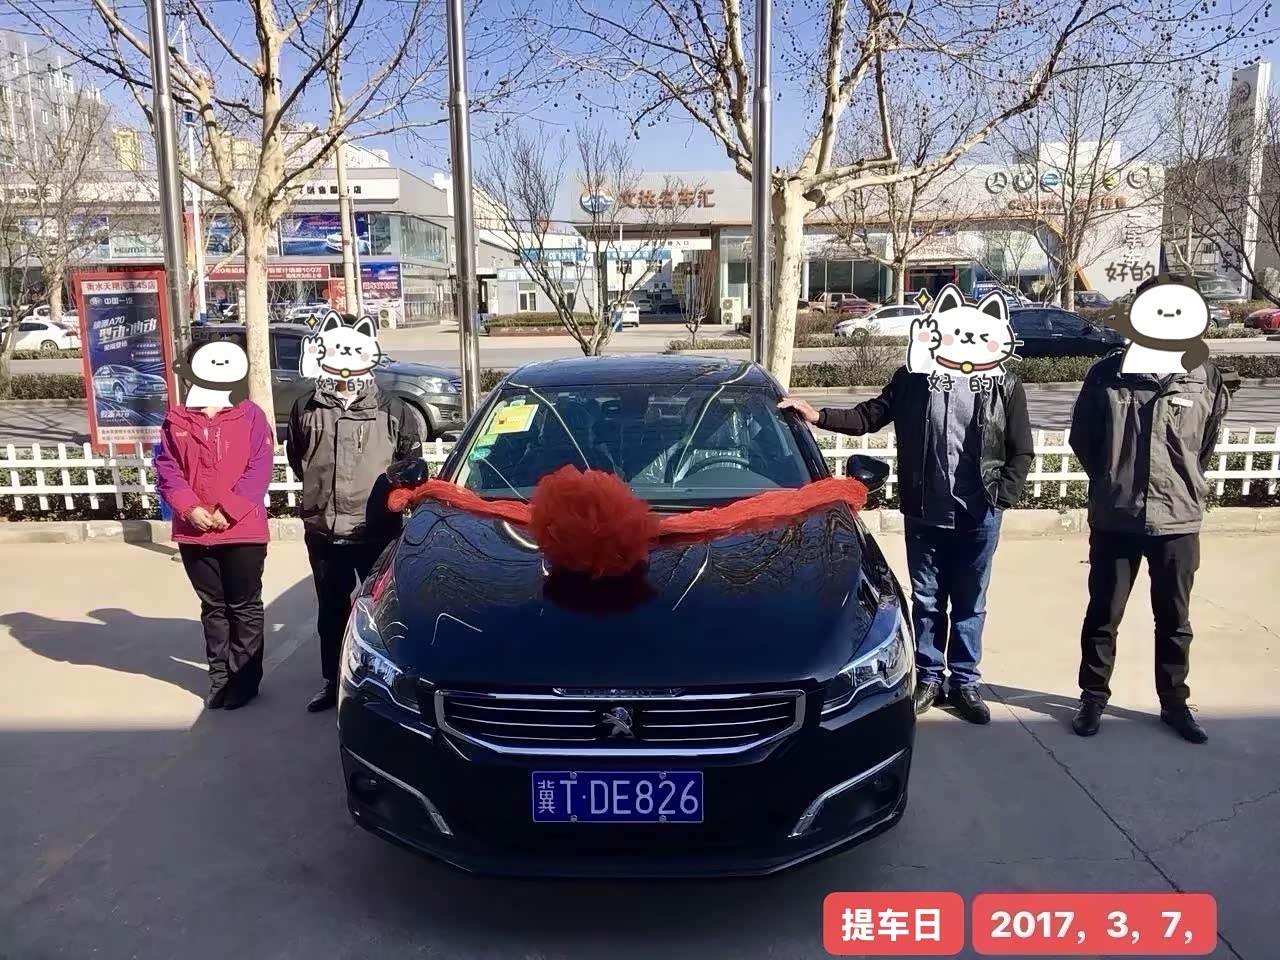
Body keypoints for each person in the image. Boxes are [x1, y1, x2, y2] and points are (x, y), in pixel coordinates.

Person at [780, 368, 1033, 724]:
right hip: (925, 513)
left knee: (970, 603)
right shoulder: (914, 377)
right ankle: (929, 677)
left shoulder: (1002, 382)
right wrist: (818, 415)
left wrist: (1000, 498)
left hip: (979, 516)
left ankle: (965, 683)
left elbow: (1021, 450)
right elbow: (869, 416)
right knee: (927, 600)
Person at [1067, 336, 1230, 743]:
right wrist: (1112, 481)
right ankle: (1092, 697)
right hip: (1116, 517)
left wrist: (1183, 482)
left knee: (1175, 618)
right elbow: (1083, 439)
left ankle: (1174, 702)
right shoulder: (1108, 374)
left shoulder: (1203, 376)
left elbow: (1205, 443)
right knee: (1104, 614)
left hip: (1177, 519)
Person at [286, 350, 422, 713]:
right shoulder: (306, 407)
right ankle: (334, 681)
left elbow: (408, 463)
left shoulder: (394, 408)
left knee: (384, 613)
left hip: (376, 530)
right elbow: (298, 458)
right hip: (324, 530)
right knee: (331, 612)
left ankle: (388, 685)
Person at [155, 387, 274, 710]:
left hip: (243, 530)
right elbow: (167, 469)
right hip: (194, 531)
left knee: (244, 606)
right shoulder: (177, 418)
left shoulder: (249, 415)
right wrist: (189, 508)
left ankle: (244, 682)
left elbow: (260, 468)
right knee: (214, 608)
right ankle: (219, 679)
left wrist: (230, 509)